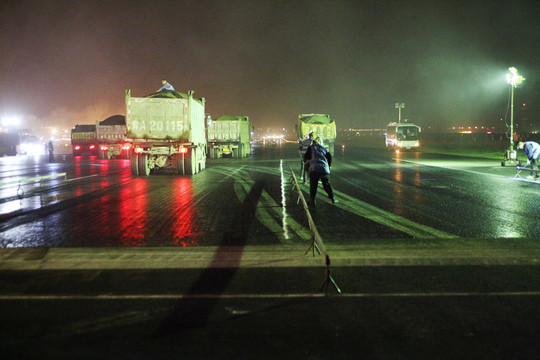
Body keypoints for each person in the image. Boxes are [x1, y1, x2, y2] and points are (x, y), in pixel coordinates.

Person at [303, 139, 336, 205]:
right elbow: (329, 157)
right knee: (327, 185)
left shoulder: (311, 148)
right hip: (324, 170)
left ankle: (313, 201)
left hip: (314, 170)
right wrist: (328, 166)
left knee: (313, 186)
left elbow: (305, 158)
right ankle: (332, 198)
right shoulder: (324, 148)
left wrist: (306, 162)